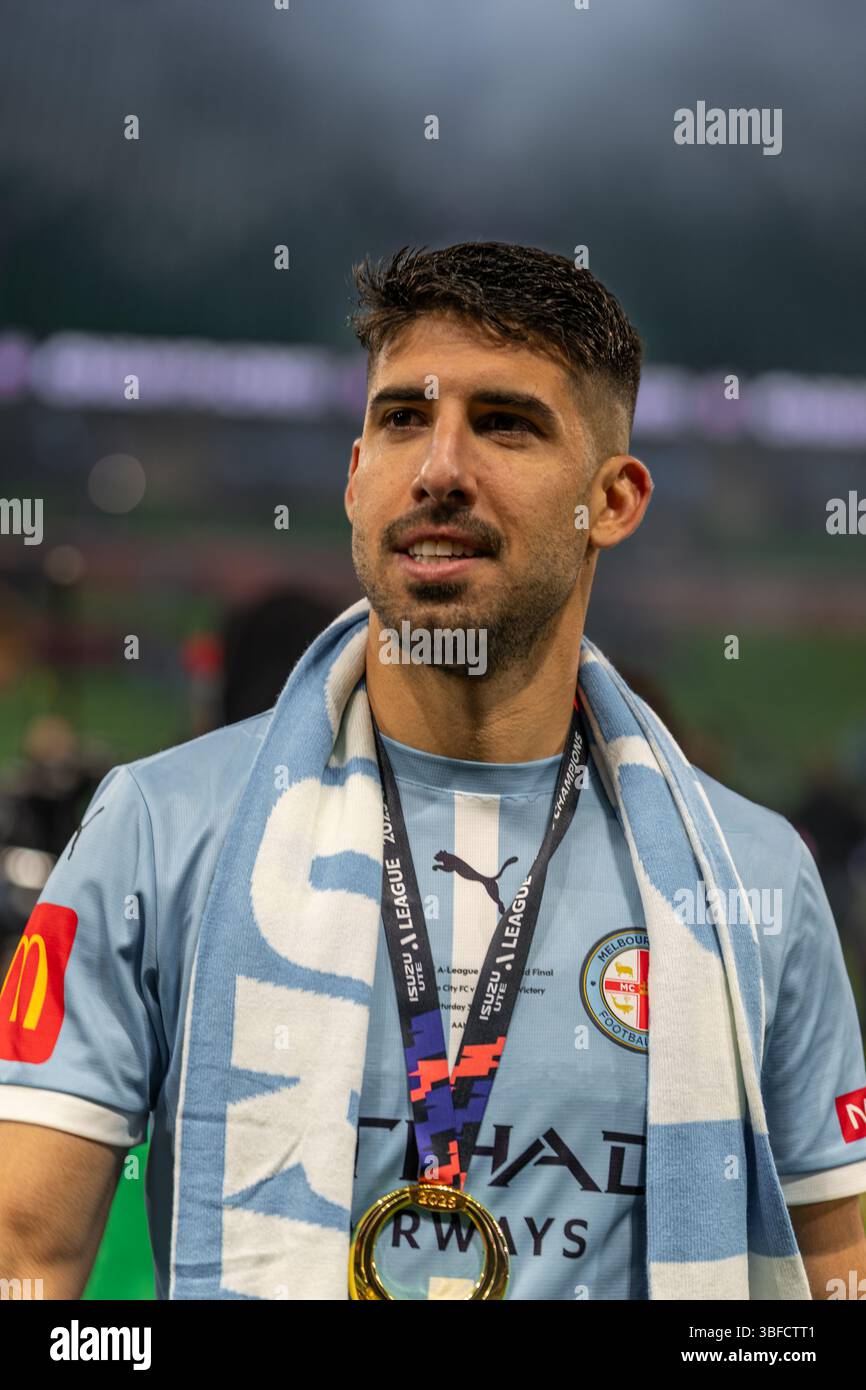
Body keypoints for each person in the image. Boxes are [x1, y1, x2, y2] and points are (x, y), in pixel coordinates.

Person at [1, 242, 865, 1303]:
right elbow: (22, 1266)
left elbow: (837, 1268)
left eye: (504, 423)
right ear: (356, 475)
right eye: (404, 418)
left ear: (615, 499)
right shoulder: (157, 828)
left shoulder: (752, 878)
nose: (439, 468)